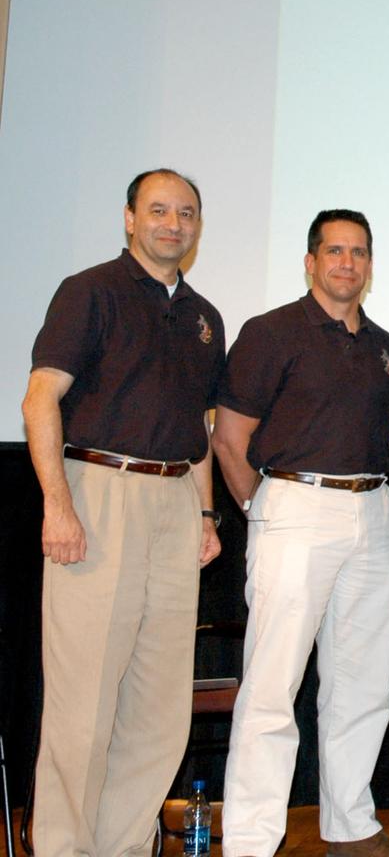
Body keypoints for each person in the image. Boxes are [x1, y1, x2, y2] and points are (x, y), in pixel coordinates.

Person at [22, 168, 224, 856]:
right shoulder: (90, 292)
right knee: (84, 710)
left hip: (174, 504)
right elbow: (39, 399)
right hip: (99, 493)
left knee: (159, 710)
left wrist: (205, 516)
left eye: (186, 212)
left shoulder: (204, 318)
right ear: (130, 218)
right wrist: (59, 505)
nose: (174, 223)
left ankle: (123, 847)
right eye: (159, 210)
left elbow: (197, 427)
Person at [211, 209, 389, 857]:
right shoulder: (270, 333)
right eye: (334, 251)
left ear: (369, 265)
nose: (346, 263)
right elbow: (229, 439)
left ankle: (349, 826)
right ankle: (249, 842)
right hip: (295, 507)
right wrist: (259, 509)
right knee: (272, 690)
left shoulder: (388, 349)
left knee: (363, 687)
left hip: (373, 514)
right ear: (310, 261)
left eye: (358, 253)